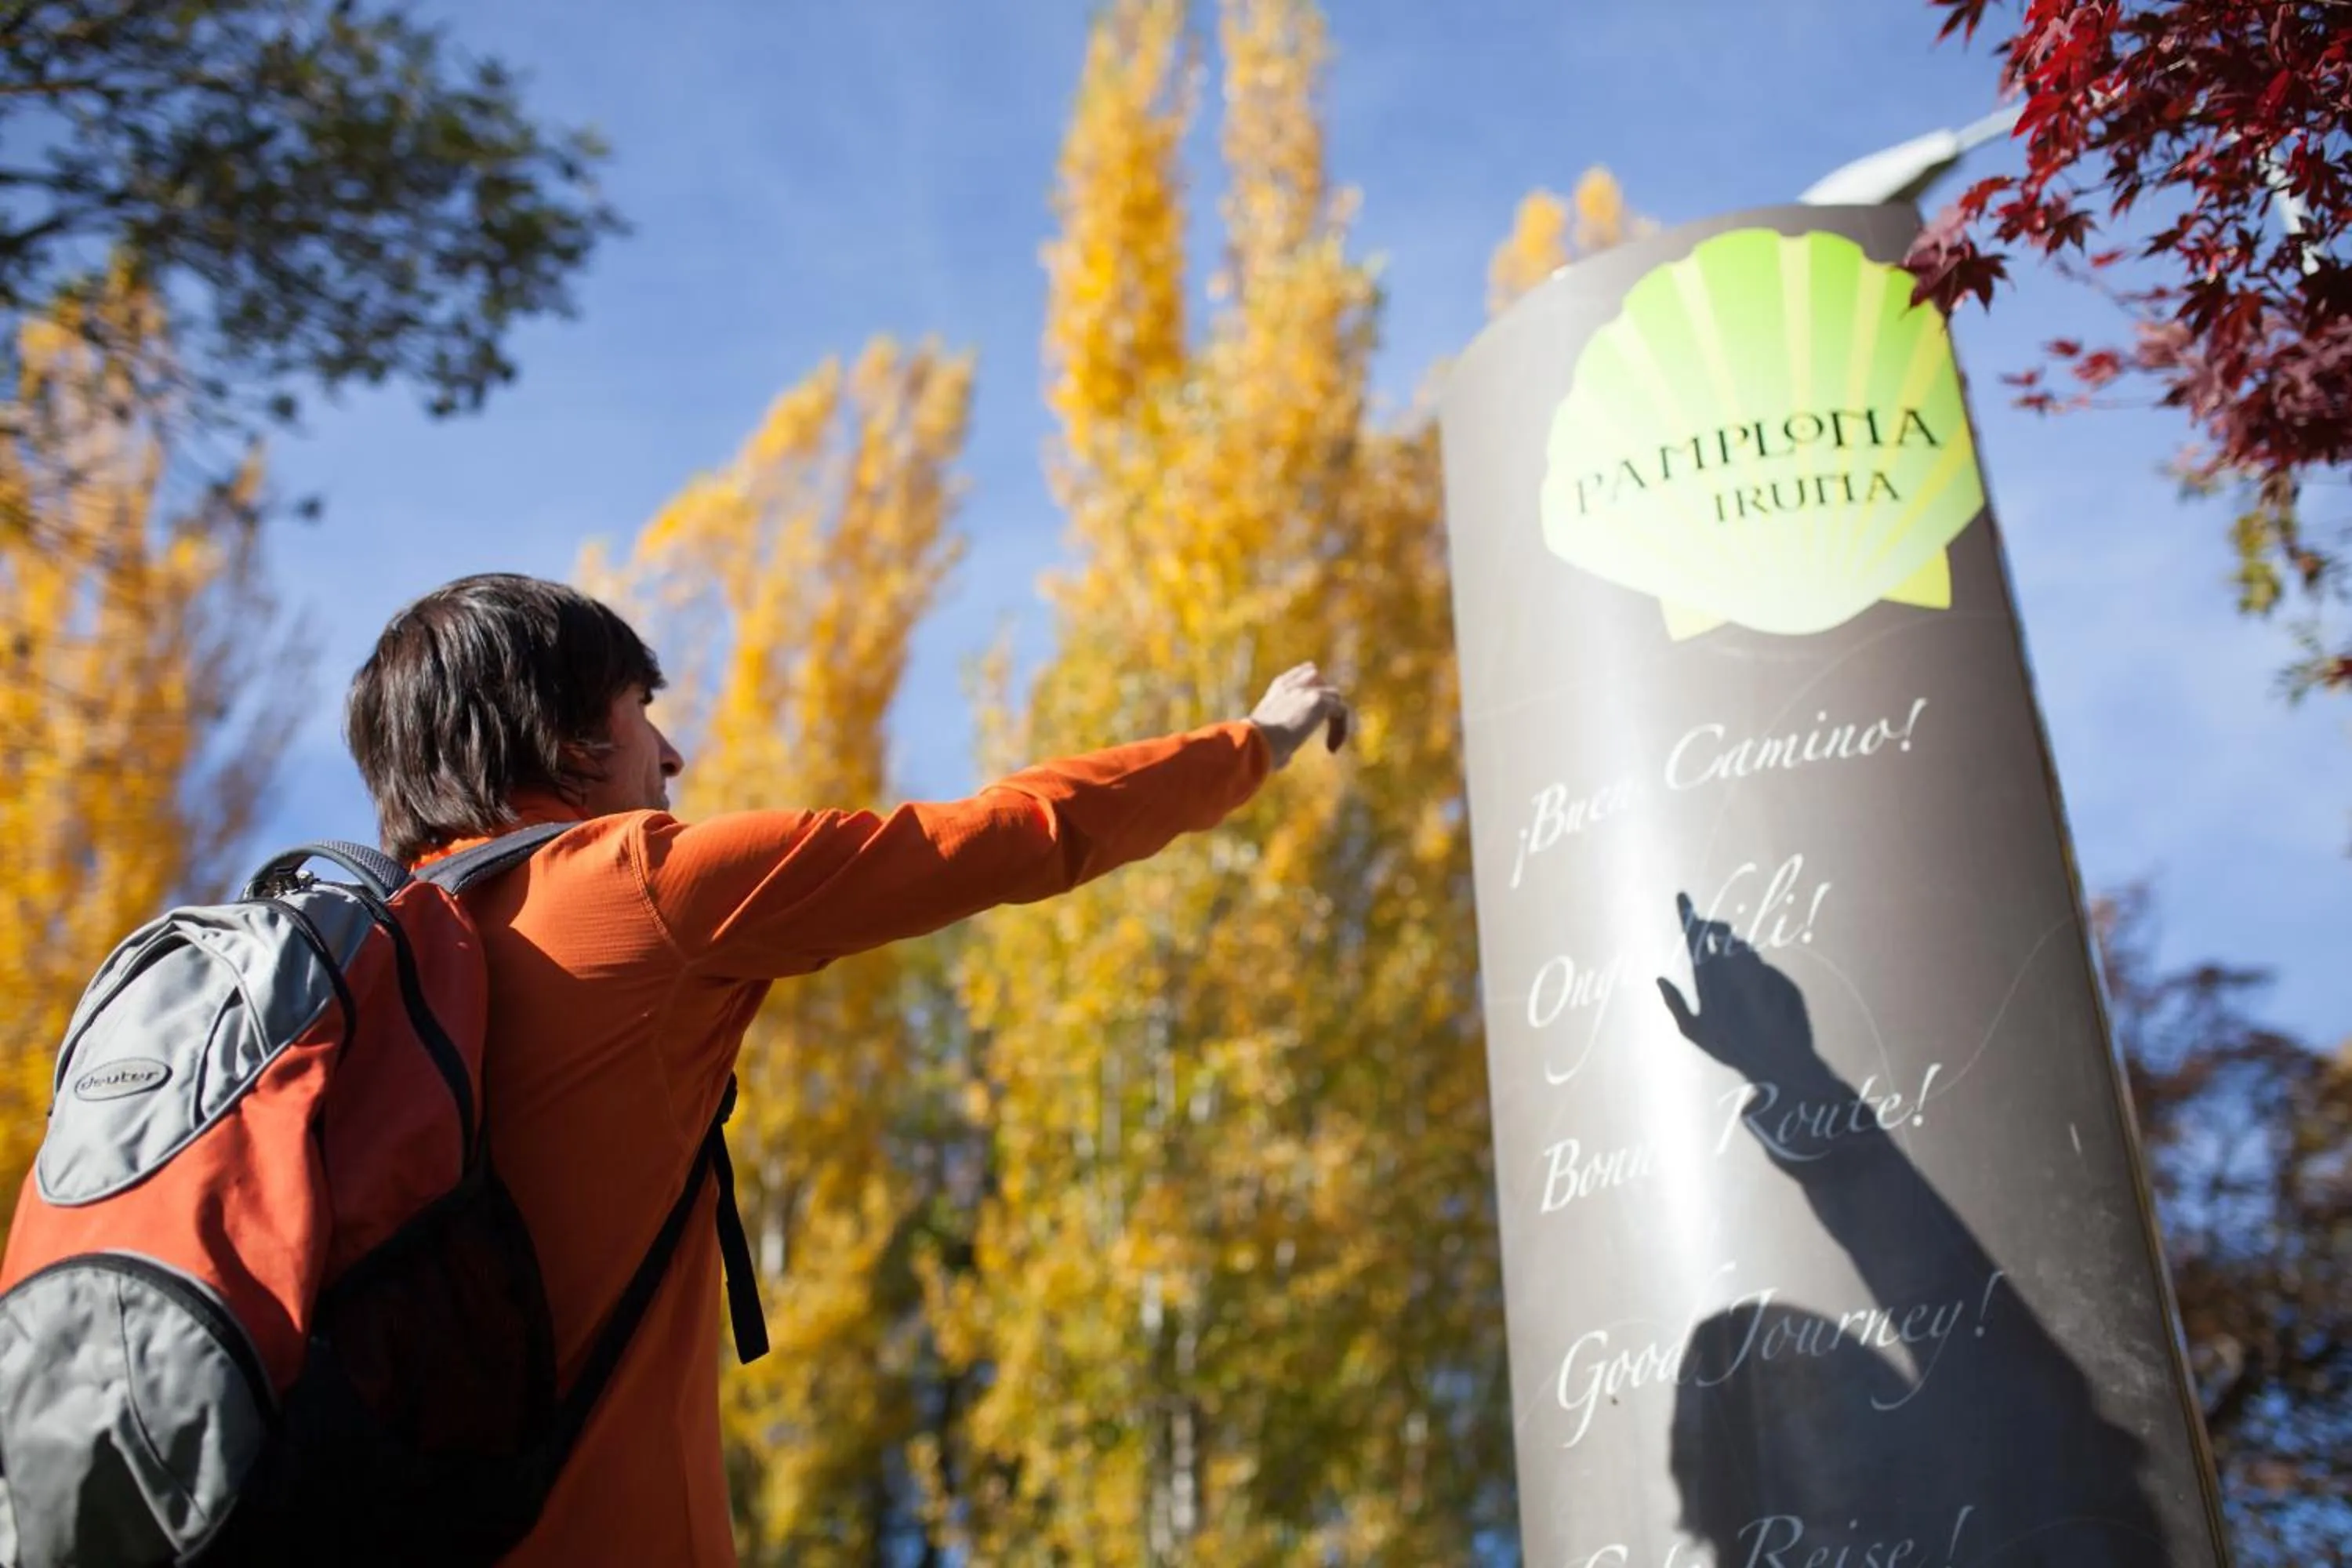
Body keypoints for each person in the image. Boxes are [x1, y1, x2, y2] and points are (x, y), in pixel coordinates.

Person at [343, 572, 1351, 1566]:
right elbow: (1014, 835)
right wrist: (1254, 743)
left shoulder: (367, 972)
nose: (673, 754)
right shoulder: (639, 887)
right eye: (643, 711)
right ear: (571, 744)